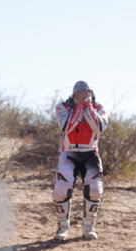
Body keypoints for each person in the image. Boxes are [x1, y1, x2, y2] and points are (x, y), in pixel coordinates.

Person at [52, 81, 108, 241]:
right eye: (79, 93)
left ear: (91, 93)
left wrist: (88, 106)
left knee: (95, 190)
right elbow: (66, 127)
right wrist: (78, 107)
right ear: (73, 94)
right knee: (61, 190)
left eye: (86, 93)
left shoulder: (99, 108)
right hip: (68, 153)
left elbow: (99, 128)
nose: (83, 95)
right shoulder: (62, 107)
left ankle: (88, 227)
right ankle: (62, 228)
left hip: (90, 153)